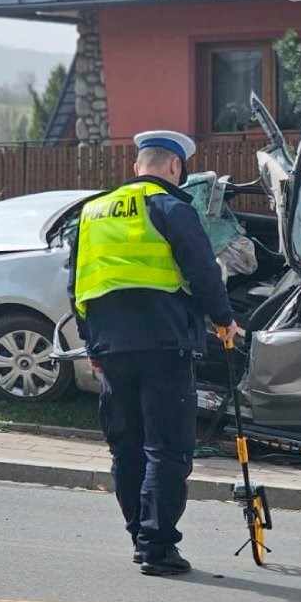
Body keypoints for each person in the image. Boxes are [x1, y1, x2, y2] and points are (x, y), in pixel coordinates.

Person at [68, 130, 237, 576]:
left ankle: (139, 537)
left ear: (137, 166)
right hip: (164, 343)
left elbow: (78, 285)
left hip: (111, 346)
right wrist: (224, 319)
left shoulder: (92, 212)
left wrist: (92, 343)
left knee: (127, 447)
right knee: (167, 448)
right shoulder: (171, 207)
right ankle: (158, 547)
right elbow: (202, 270)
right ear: (175, 168)